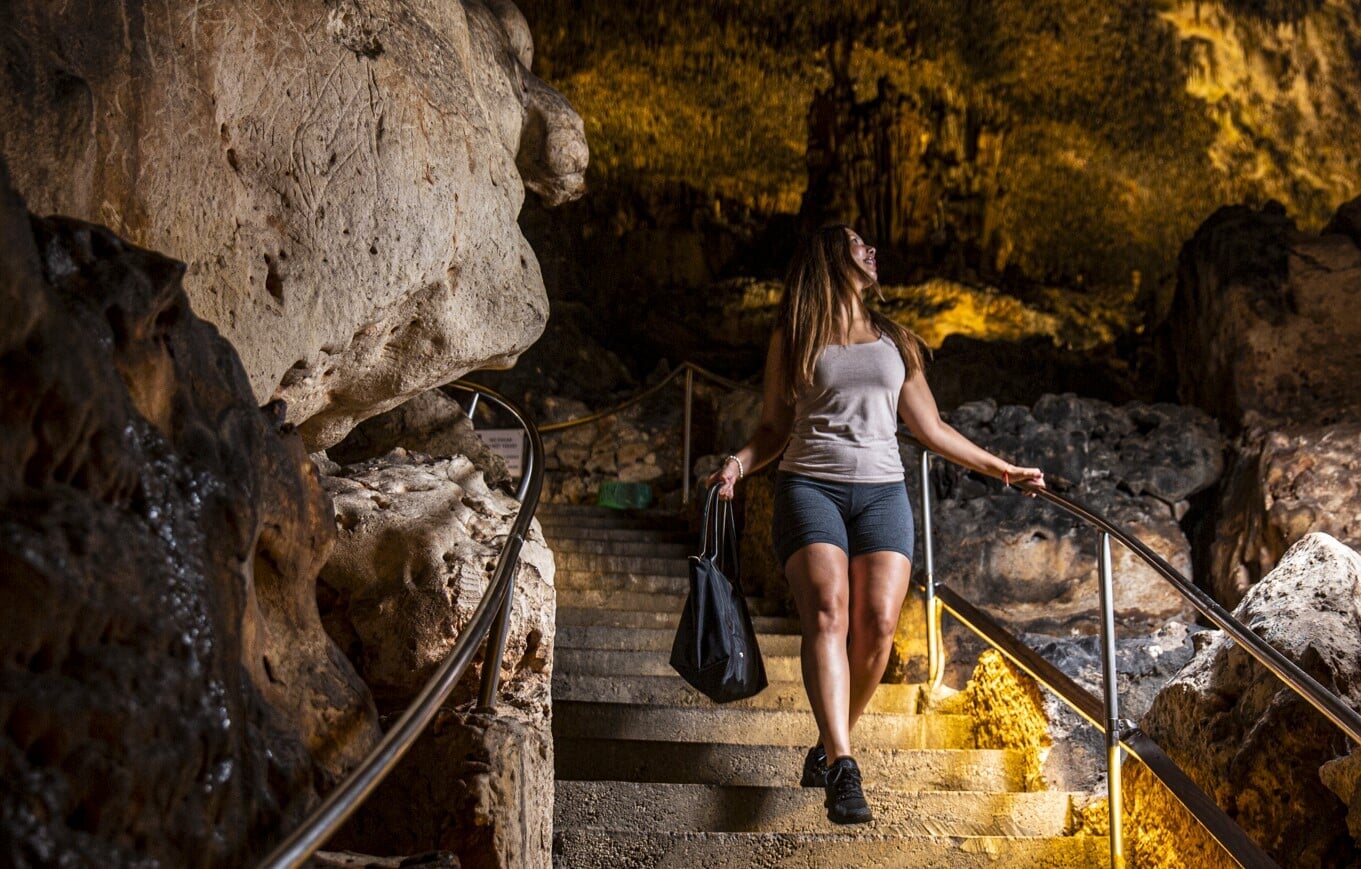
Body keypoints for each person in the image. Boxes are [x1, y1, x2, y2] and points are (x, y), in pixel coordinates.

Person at [706, 225, 1045, 825]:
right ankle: (842, 762)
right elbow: (772, 427)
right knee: (829, 615)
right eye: (856, 244)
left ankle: (826, 743)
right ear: (828, 259)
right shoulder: (796, 336)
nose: (871, 251)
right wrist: (737, 464)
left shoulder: (895, 340)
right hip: (811, 487)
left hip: (884, 492)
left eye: (869, 244)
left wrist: (1002, 468)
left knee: (880, 627)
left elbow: (931, 430)